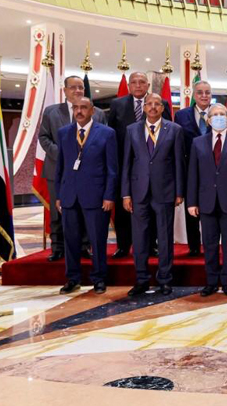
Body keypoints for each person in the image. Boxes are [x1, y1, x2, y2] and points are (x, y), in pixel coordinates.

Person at [121, 93, 185, 297]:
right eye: (149, 104)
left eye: (157, 104)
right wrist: (125, 194)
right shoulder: (132, 130)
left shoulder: (174, 129)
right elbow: (126, 163)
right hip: (138, 193)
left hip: (165, 192)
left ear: (163, 108)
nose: (153, 107)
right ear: (144, 107)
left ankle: (165, 280)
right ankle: (141, 280)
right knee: (139, 239)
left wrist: (179, 192)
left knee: (165, 238)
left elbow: (179, 163)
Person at [187, 104, 227, 297]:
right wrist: (192, 202)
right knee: (209, 244)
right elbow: (193, 174)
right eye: (214, 114)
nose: (218, 117)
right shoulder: (198, 142)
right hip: (206, 201)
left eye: (222, 114)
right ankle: (211, 282)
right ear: (208, 120)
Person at [38, 75, 106, 262]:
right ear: (65, 90)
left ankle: (84, 246)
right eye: (73, 87)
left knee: (85, 208)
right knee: (58, 211)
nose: (77, 91)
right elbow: (43, 137)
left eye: (81, 87)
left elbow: (103, 139)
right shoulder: (51, 112)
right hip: (56, 171)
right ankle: (57, 247)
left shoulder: (98, 113)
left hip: (88, 172)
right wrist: (63, 155)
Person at [55, 98, 117, 295]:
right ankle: (73, 278)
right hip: (69, 195)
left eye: (83, 107)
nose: (79, 111)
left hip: (96, 196)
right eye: (76, 108)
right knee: (71, 240)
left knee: (97, 240)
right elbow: (60, 167)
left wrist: (109, 195)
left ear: (92, 111)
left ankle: (99, 278)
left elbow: (112, 169)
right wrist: (58, 195)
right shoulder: (64, 133)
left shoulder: (107, 133)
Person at [108, 71, 160, 258]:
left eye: (142, 82)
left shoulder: (159, 103)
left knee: (151, 207)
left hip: (152, 167)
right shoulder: (117, 104)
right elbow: (111, 134)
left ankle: (151, 244)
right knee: (124, 208)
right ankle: (123, 245)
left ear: (148, 85)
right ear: (129, 86)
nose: (138, 85)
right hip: (124, 165)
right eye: (134, 82)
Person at [174, 80, 214, 256]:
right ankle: (194, 246)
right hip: (189, 168)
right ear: (193, 95)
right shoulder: (181, 115)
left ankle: (211, 244)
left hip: (214, 170)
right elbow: (178, 144)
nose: (204, 95)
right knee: (191, 206)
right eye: (200, 92)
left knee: (211, 207)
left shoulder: (219, 113)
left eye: (207, 92)